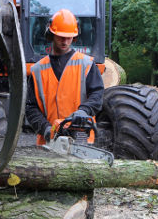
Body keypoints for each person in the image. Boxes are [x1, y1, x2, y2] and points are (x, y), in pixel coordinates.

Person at [26, 9, 103, 144]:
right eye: (61, 36)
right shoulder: (37, 70)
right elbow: (31, 107)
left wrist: (83, 111)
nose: (65, 41)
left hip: (81, 138)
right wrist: (45, 128)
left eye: (69, 37)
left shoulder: (87, 64)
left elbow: (97, 95)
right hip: (49, 141)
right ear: (51, 34)